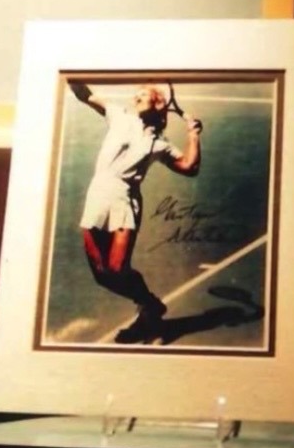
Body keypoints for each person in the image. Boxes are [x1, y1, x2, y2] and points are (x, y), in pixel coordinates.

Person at [68, 79, 202, 343]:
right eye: (136, 94)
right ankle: (151, 306)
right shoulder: (118, 115)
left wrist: (193, 135)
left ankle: (149, 304)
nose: (135, 97)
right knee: (102, 275)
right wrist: (71, 75)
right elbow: (86, 95)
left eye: (142, 94)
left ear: (159, 103)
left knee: (117, 269)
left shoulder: (159, 144)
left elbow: (190, 167)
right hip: (97, 195)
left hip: (124, 200)